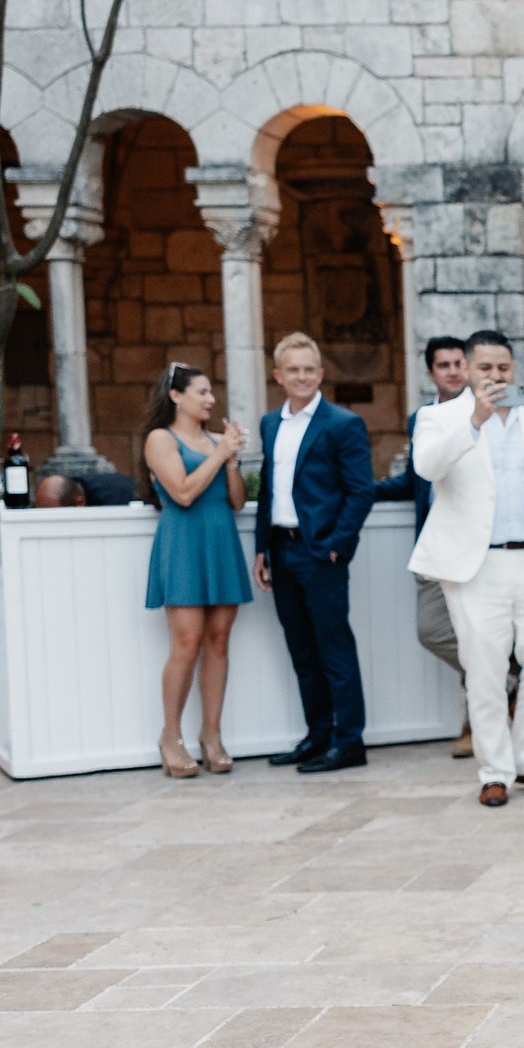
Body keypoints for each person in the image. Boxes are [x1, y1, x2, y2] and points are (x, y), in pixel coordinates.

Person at [410, 330, 524, 808]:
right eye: (484, 367)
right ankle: (494, 771)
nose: (495, 376)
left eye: (503, 367)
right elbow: (426, 468)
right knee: (484, 668)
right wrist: (474, 421)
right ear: (467, 370)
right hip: (475, 565)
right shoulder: (438, 418)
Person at [254, 332, 375, 774]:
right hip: (281, 550)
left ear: (321, 374)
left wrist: (336, 547)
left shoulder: (342, 423)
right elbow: (268, 490)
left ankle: (349, 742)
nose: (302, 377)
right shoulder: (270, 424)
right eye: (293, 370)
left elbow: (360, 492)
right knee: (302, 651)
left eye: (309, 369)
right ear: (278, 375)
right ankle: (318, 736)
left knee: (333, 648)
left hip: (320, 553)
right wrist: (261, 549)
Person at [140, 363, 251, 777]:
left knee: (219, 640)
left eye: (211, 392)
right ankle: (170, 736)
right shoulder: (160, 439)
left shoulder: (219, 442)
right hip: (184, 544)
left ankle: (211, 735)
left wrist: (231, 460)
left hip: (221, 541)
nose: (210, 399)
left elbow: (237, 501)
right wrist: (219, 454)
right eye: (201, 392)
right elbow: (183, 493)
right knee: (186, 643)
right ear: (176, 395)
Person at [374, 336, 473, 756]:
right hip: (433, 544)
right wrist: (360, 491)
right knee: (431, 630)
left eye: (458, 363)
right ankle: (505, 683)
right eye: (443, 365)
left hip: (475, 545)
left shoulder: (486, 412)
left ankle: (475, 725)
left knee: (475, 630)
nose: (453, 371)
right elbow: (416, 480)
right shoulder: (422, 418)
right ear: (431, 372)